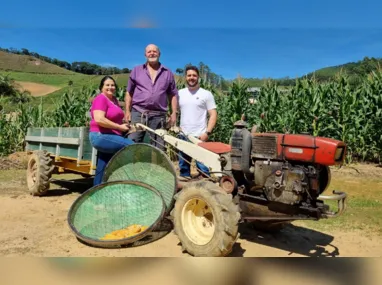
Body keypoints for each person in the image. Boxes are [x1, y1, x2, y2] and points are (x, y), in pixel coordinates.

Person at [124, 44, 178, 150]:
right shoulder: (136, 70)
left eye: (154, 51)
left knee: (159, 147)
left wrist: (174, 113)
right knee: (132, 143)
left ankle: (156, 167)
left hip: (159, 116)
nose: (152, 53)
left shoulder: (167, 73)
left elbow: (173, 94)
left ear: (159, 54)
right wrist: (127, 111)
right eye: (149, 51)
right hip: (138, 113)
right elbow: (129, 92)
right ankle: (134, 166)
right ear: (145, 54)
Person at [89, 76, 134, 186]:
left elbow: (115, 119)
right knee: (132, 147)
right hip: (100, 136)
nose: (110, 87)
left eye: (112, 85)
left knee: (103, 166)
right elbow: (99, 119)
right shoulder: (101, 99)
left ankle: (96, 192)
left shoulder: (114, 100)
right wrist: (119, 128)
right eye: (107, 85)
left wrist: (127, 126)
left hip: (110, 136)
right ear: (101, 87)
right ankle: (130, 179)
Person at [177, 65, 217, 178]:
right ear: (185, 77)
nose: (191, 77)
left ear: (198, 77)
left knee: (203, 169)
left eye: (194, 75)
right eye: (189, 75)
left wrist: (207, 133)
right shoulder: (179, 93)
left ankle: (206, 190)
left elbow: (213, 114)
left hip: (200, 136)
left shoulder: (206, 94)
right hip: (183, 135)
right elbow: (174, 112)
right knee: (184, 170)